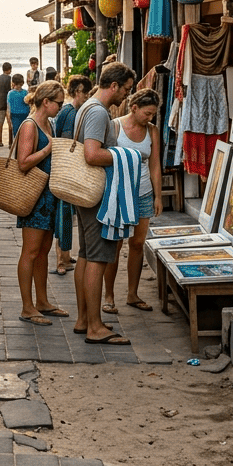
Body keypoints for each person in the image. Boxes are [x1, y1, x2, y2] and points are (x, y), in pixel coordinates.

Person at [71, 62, 136, 345]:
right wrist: (126, 156)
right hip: (97, 194)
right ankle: (95, 327)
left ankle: (85, 319)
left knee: (86, 255)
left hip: (86, 193)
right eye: (126, 89)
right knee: (97, 258)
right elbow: (92, 154)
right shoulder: (98, 111)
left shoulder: (87, 107)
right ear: (114, 86)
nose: (126, 96)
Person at [13, 80, 70, 325]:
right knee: (31, 251)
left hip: (48, 196)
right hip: (34, 196)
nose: (61, 107)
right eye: (58, 103)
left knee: (44, 250)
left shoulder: (48, 124)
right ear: (46, 102)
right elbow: (23, 162)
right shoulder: (30, 125)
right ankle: (27, 306)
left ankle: (42, 301)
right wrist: (49, 150)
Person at [102, 88, 162, 314]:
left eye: (153, 114)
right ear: (134, 108)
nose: (150, 118)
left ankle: (132, 294)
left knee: (137, 244)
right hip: (118, 193)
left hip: (144, 192)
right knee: (115, 244)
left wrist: (158, 196)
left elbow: (155, 165)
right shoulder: (115, 126)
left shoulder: (153, 131)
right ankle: (109, 296)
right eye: (147, 113)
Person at [51, 75, 92, 276]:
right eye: (85, 92)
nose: (87, 96)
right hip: (66, 170)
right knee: (64, 216)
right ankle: (61, 260)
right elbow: (68, 144)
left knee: (66, 215)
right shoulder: (70, 113)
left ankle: (65, 256)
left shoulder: (70, 111)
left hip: (63, 169)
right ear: (77, 92)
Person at [0, 62, 13, 147]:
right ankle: (10, 142)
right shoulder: (10, 79)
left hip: (0, 102)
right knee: (10, 124)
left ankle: (0, 141)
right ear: (9, 70)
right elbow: (12, 90)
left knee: (0, 123)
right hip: (8, 103)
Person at [7, 74, 29, 140]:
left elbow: (8, 107)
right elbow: (28, 103)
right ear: (22, 83)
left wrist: (8, 118)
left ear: (13, 83)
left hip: (14, 115)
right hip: (25, 114)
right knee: (25, 133)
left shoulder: (10, 93)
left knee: (16, 134)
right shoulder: (25, 92)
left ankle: (17, 148)